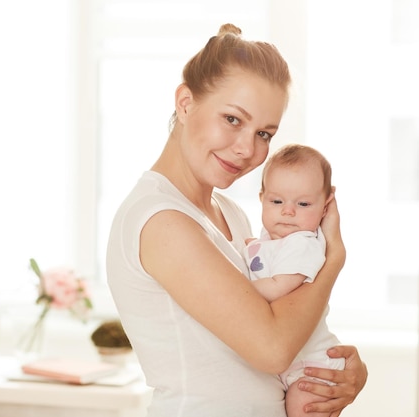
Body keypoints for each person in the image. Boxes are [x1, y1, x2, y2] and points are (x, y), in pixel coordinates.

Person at [106, 23, 367, 417]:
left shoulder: (230, 214)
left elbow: (284, 330)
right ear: (185, 102)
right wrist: (333, 260)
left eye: (264, 133)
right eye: (232, 119)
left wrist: (336, 374)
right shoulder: (161, 221)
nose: (248, 148)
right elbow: (273, 348)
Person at [243, 144, 345, 417]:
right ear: (262, 197)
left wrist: (237, 289)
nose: (288, 211)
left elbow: (279, 286)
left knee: (304, 409)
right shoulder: (267, 239)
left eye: (303, 204)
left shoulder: (304, 244)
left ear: (325, 206)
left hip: (310, 367)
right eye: (277, 202)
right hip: (286, 364)